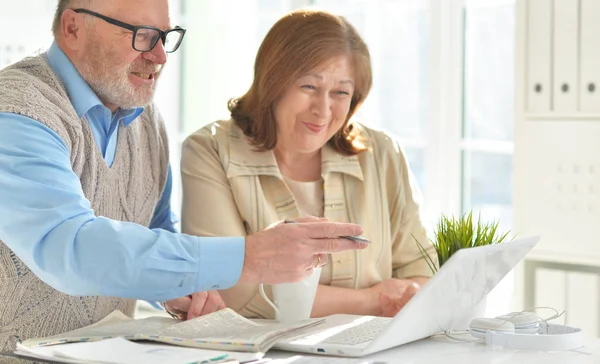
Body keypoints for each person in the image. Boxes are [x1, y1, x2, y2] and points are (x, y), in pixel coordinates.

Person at [0, 0, 368, 352]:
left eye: (165, 36)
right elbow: (69, 247)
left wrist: (180, 289)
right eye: (141, 35)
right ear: (73, 27)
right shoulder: (17, 111)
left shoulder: (144, 119)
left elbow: (154, 231)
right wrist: (249, 256)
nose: (159, 56)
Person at [181, 9, 438, 320]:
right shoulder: (210, 150)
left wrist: (401, 296)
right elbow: (231, 291)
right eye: (308, 87)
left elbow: (421, 272)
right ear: (273, 81)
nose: (323, 110)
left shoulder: (382, 153)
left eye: (341, 92)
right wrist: (374, 300)